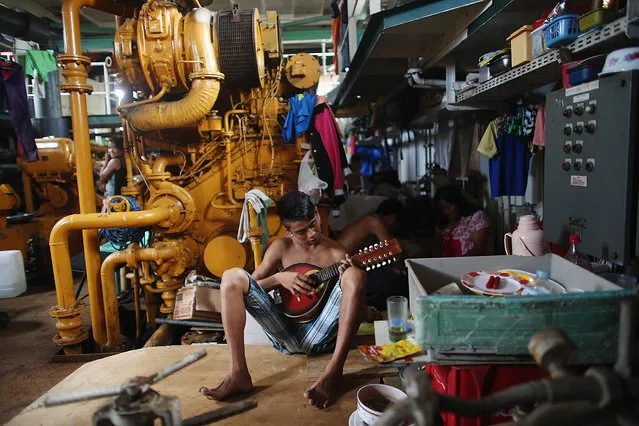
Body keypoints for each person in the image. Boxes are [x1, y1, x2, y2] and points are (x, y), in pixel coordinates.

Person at [200, 191, 366, 409]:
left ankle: (334, 372)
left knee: (355, 274)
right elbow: (251, 286)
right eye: (301, 231)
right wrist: (279, 278)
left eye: (312, 224)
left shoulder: (337, 253)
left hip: (321, 334)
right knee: (232, 277)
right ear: (288, 230)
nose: (312, 233)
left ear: (316, 213)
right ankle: (238, 373)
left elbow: (347, 298)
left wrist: (344, 277)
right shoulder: (281, 248)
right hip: (284, 331)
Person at [337, 198, 408, 312]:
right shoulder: (375, 221)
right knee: (398, 283)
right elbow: (393, 250)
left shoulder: (367, 220)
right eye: (395, 224)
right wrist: (399, 267)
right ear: (393, 218)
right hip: (340, 271)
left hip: (346, 268)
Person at [432, 185, 491, 257]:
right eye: (442, 209)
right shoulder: (442, 221)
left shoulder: (476, 217)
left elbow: (479, 249)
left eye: (449, 207)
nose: (446, 211)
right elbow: (436, 249)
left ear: (458, 202)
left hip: (470, 263)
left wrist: (457, 263)